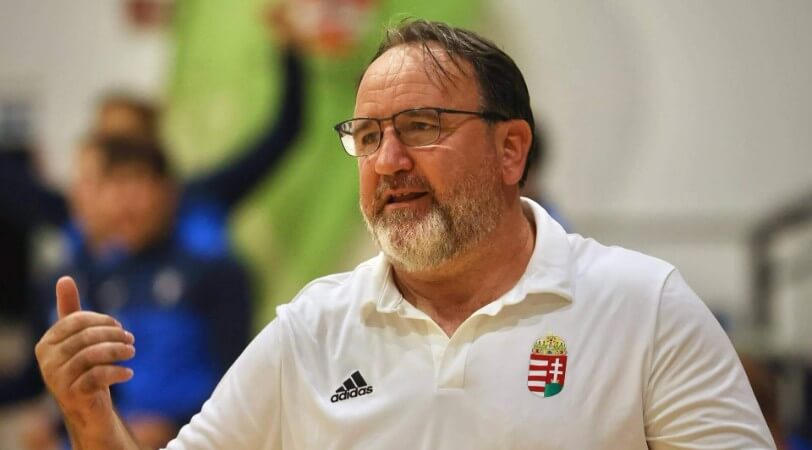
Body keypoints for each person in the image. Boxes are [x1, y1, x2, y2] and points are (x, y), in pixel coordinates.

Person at [34, 19, 773, 449]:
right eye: (367, 136)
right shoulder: (312, 329)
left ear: (511, 150)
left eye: (422, 127)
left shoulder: (645, 308)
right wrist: (92, 422)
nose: (388, 161)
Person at [38, 135, 252, 449]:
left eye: (137, 182)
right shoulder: (98, 277)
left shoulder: (215, 271)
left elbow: (240, 386)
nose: (126, 201)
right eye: (116, 185)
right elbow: (106, 390)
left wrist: (172, 427)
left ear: (168, 191)